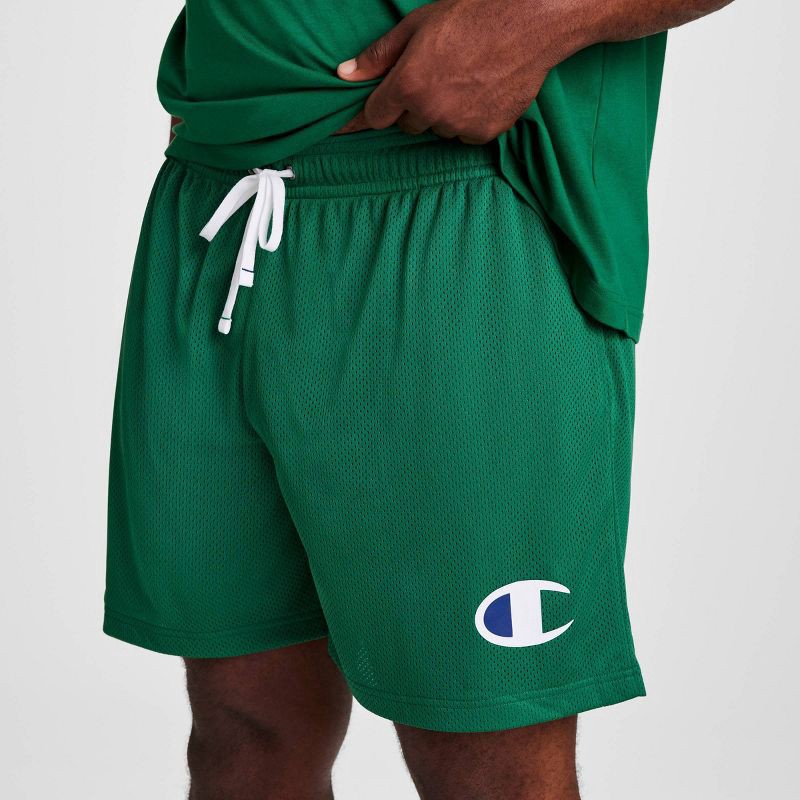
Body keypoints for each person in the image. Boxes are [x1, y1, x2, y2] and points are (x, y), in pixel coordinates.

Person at [104, 1, 733, 797]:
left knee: (486, 752)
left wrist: (537, 20)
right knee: (245, 728)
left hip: (458, 203)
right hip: (216, 205)